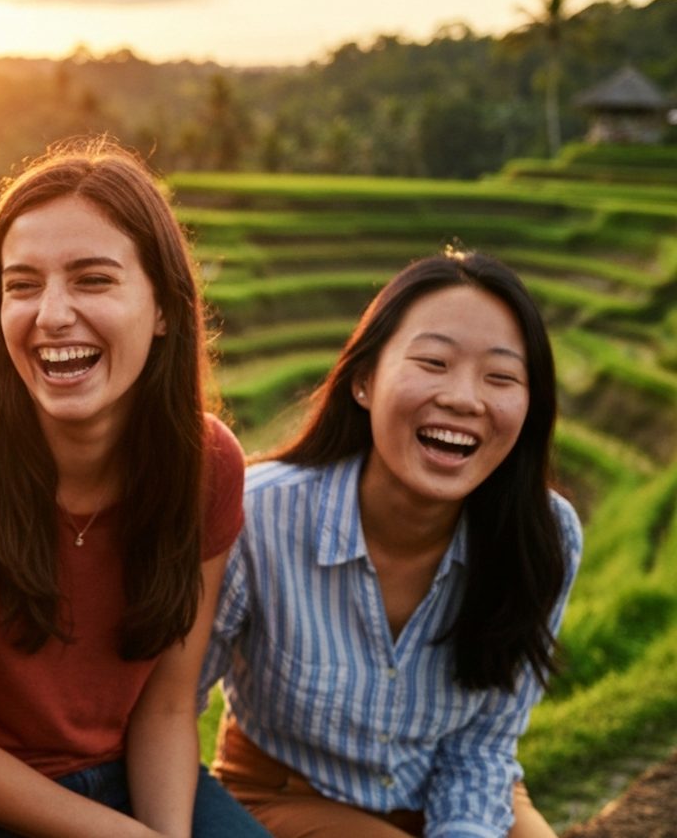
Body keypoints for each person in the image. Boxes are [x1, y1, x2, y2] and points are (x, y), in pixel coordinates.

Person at [0, 136, 268, 837]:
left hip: (132, 778)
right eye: (22, 285)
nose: (51, 315)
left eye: (93, 280)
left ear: (163, 308)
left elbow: (166, 707)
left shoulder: (206, 465)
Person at [198, 251, 581, 838]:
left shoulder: (545, 535)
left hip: (455, 789)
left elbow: (483, 748)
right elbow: (172, 703)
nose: (463, 398)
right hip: (284, 794)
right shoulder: (260, 514)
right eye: (433, 363)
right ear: (363, 381)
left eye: (500, 377)